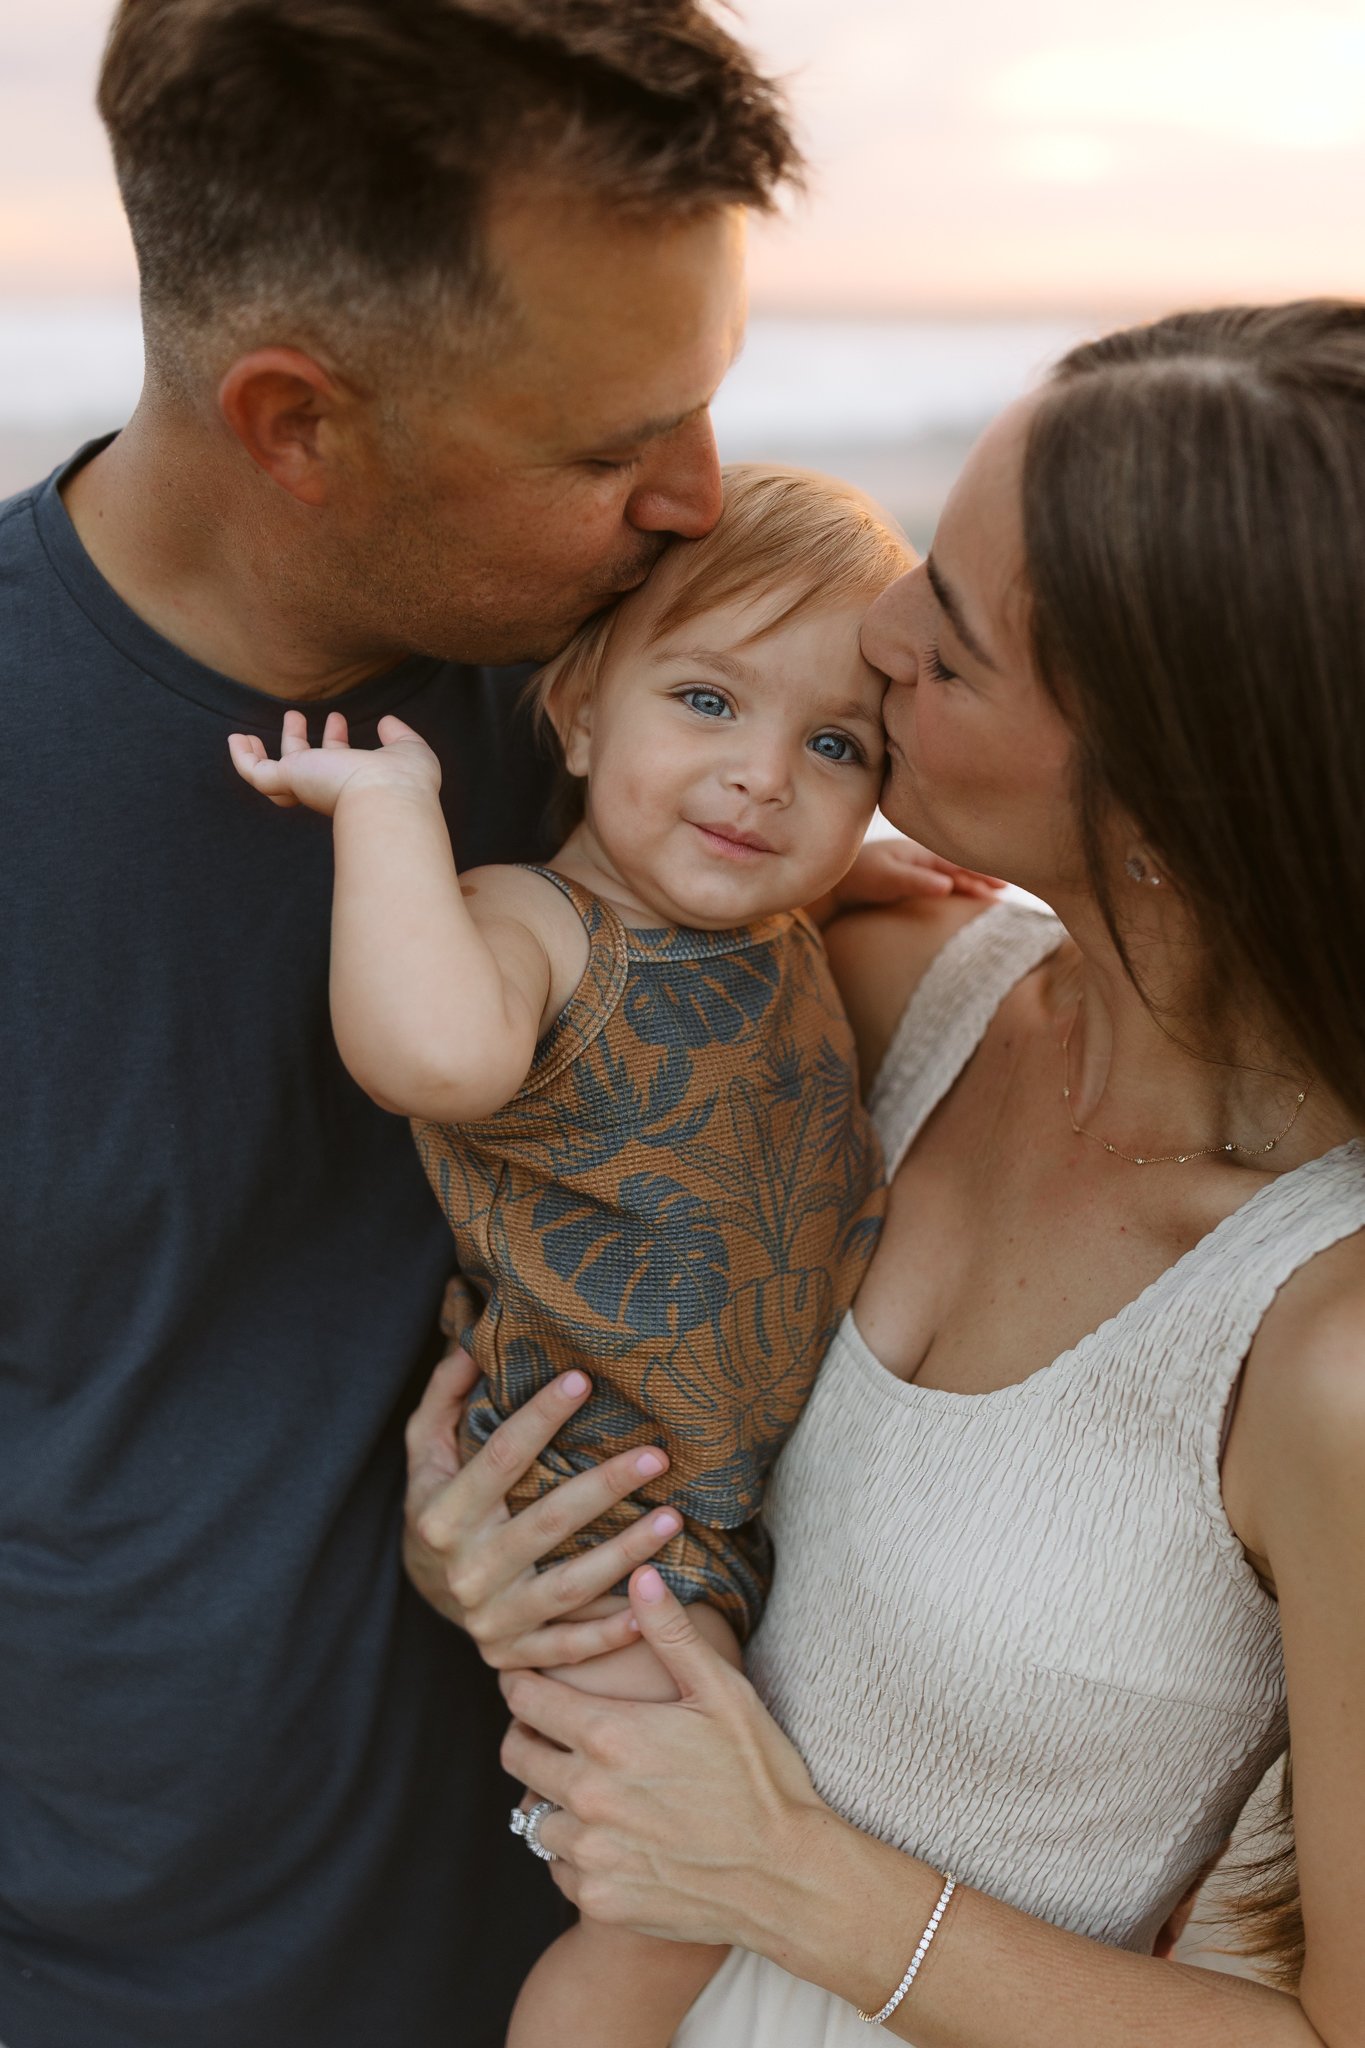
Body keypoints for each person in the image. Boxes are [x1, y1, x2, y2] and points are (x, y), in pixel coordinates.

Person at [405, 300, 1365, 2047]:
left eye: (956, 638)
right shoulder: (860, 993)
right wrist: (504, 1551)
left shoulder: (1325, 1342)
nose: (885, 621)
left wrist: (790, 1878)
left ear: (1168, 787)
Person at [0, 4, 806, 2045]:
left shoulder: (652, 706)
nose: (698, 503)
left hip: (637, 1956)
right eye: (613, 448)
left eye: (707, 407)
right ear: (295, 424)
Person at [227, 463, 1001, 2047]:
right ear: (578, 714)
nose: (757, 779)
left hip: (737, 1500)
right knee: (660, 1919)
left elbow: (752, 833)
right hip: (599, 1526)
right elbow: (429, 1057)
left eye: (832, 745)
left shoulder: (766, 921)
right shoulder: (526, 922)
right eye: (705, 702)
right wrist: (389, 820)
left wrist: (845, 866)